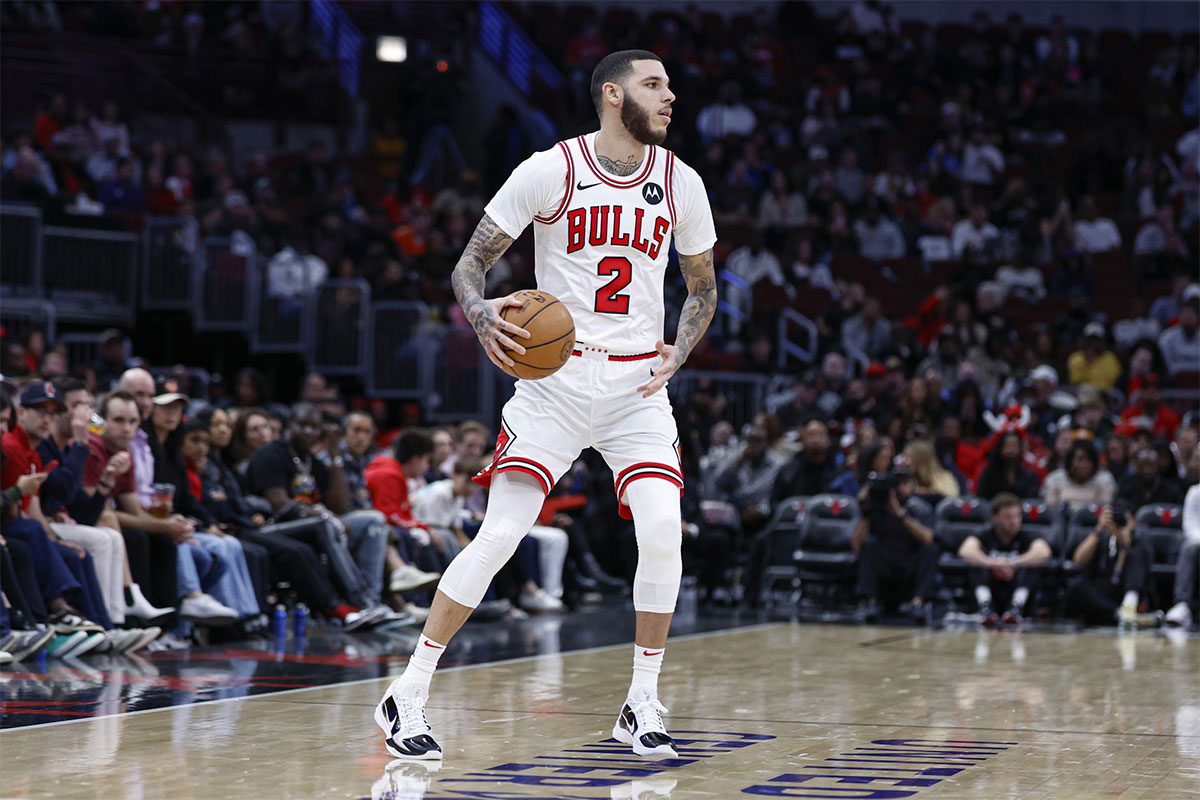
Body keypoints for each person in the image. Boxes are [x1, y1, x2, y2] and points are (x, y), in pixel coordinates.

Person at [375, 49, 717, 761]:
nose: (671, 96)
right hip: (553, 386)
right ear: (613, 95)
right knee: (500, 535)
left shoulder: (680, 182)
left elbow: (704, 288)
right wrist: (480, 314)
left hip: (635, 391)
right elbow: (469, 264)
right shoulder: (549, 170)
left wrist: (677, 353)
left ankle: (641, 700)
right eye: (656, 85)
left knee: (662, 530)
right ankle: (406, 694)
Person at [850, 464, 939, 623]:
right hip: (884, 573)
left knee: (930, 549)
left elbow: (929, 538)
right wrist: (865, 512)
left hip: (910, 573)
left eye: (905, 483)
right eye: (897, 483)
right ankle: (870, 601)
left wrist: (901, 515)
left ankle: (918, 603)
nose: (900, 489)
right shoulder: (875, 508)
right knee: (869, 544)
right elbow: (856, 545)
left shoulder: (919, 509)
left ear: (913, 485)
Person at [956, 492, 1052, 627]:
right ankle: (986, 608)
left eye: (1017, 516)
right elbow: (965, 551)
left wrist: (1014, 562)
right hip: (991, 587)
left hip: (1016, 587)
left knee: (1032, 564)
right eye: (1008, 517)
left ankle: (1015, 608)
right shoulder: (985, 535)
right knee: (976, 562)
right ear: (995, 518)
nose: (1014, 521)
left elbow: (1044, 552)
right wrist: (992, 563)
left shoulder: (1026, 536)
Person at [1066, 504, 1160, 628]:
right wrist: (1098, 530)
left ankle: (1128, 606)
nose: (1119, 522)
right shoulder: (1102, 537)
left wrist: (1125, 546)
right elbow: (1078, 561)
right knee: (1075, 585)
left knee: (1136, 552)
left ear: (1134, 522)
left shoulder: (1140, 539)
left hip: (1127, 592)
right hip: (1101, 597)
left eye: (1125, 518)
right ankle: (1121, 614)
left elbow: (1124, 573)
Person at [1165, 475, 1199, 628]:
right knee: (1188, 548)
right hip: (1199, 547)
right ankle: (1182, 605)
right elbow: (1190, 527)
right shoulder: (1195, 493)